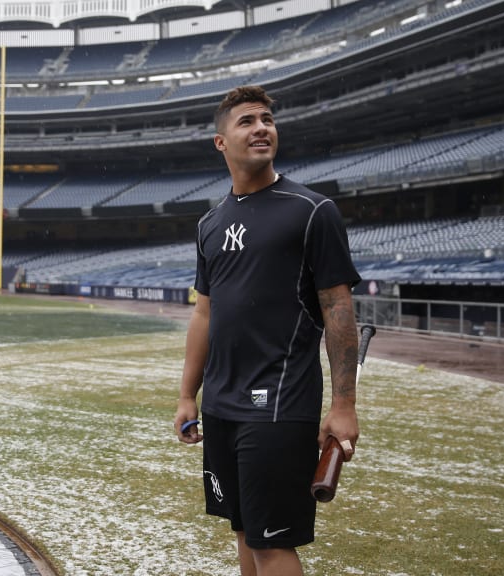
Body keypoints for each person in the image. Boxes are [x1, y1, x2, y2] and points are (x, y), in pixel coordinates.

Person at [174, 85, 362, 576]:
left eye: (267, 120)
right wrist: (186, 396)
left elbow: (338, 308)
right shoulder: (210, 223)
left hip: (279, 404)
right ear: (221, 142)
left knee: (272, 543)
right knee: (243, 530)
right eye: (247, 121)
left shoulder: (311, 211)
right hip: (221, 405)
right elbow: (204, 315)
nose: (261, 128)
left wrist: (344, 406)